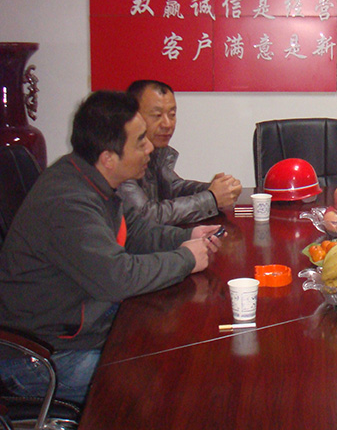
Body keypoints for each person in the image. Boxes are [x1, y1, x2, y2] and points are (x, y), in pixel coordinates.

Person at [0, 91, 222, 403]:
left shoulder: (90, 176)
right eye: (140, 141)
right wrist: (186, 258)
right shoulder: (68, 202)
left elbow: (135, 231)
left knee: (177, 338)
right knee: (165, 379)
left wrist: (185, 236)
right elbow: (118, 278)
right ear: (108, 158)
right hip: (42, 356)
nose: (149, 148)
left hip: (85, 324)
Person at [118, 80, 242, 225]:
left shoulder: (156, 151)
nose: (167, 124)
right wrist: (211, 198)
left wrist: (214, 188)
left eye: (172, 114)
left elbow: (173, 187)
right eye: (157, 115)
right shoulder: (120, 158)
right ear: (133, 116)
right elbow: (147, 216)